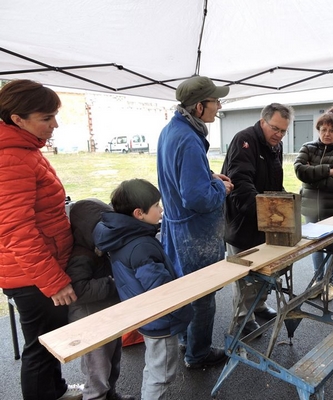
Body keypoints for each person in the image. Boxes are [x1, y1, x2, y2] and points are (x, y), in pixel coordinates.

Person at [0, 80, 83, 400]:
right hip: (33, 275)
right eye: (46, 118)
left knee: (49, 340)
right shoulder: (12, 159)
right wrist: (54, 282)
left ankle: (55, 391)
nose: (55, 125)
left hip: (38, 268)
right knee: (40, 345)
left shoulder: (23, 149)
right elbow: (15, 231)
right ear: (17, 119)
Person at [157, 76, 233, 369]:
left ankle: (186, 341)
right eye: (215, 101)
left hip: (178, 229)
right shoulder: (189, 139)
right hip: (194, 233)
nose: (219, 107)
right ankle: (197, 354)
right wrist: (220, 188)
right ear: (200, 106)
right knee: (202, 298)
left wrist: (209, 175)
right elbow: (197, 199)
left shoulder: (172, 130)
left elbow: (182, 177)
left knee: (185, 291)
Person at [93, 179, 193, 400]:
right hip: (161, 321)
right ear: (139, 213)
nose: (161, 210)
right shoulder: (140, 246)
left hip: (146, 317)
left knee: (154, 366)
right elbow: (161, 291)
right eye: (156, 206)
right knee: (162, 375)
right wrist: (184, 303)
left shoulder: (121, 235)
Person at [221, 103, 294, 335]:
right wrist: (269, 212)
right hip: (243, 221)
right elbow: (241, 184)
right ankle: (243, 318)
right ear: (262, 121)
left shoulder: (276, 146)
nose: (279, 134)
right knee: (245, 275)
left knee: (266, 269)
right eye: (275, 128)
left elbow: (274, 183)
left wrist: (285, 204)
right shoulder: (244, 140)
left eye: (283, 131)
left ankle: (260, 305)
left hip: (265, 219)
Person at [66, 199, 134, 400]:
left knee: (113, 360)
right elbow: (79, 288)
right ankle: (95, 397)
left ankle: (110, 394)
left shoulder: (101, 249)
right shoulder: (81, 255)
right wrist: (113, 282)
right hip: (90, 323)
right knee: (97, 369)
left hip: (107, 315)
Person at [294, 106, 333, 301]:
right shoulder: (307, 148)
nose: (327, 134)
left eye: (332, 131)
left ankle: (329, 282)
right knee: (315, 246)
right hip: (311, 207)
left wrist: (313, 174)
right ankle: (317, 280)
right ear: (318, 130)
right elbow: (300, 172)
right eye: (323, 130)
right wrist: (328, 170)